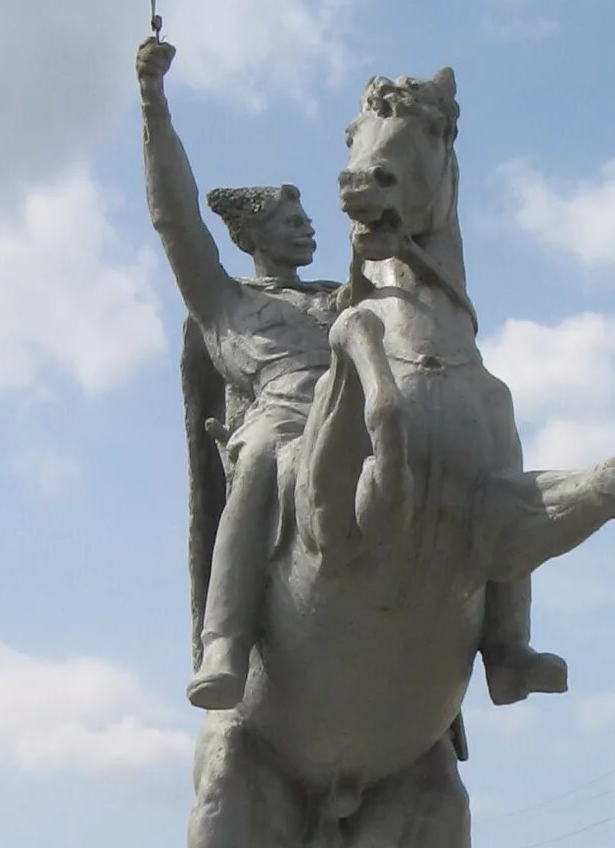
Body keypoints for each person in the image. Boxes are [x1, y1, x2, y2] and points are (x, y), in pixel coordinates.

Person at [138, 35, 565, 711]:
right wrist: (154, 109)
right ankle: (226, 643)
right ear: (251, 238)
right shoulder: (225, 302)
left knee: (480, 433)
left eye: (308, 219)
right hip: (284, 422)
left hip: (368, 411)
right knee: (264, 456)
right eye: (289, 222)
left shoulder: (347, 296)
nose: (307, 230)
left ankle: (507, 644)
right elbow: (174, 219)